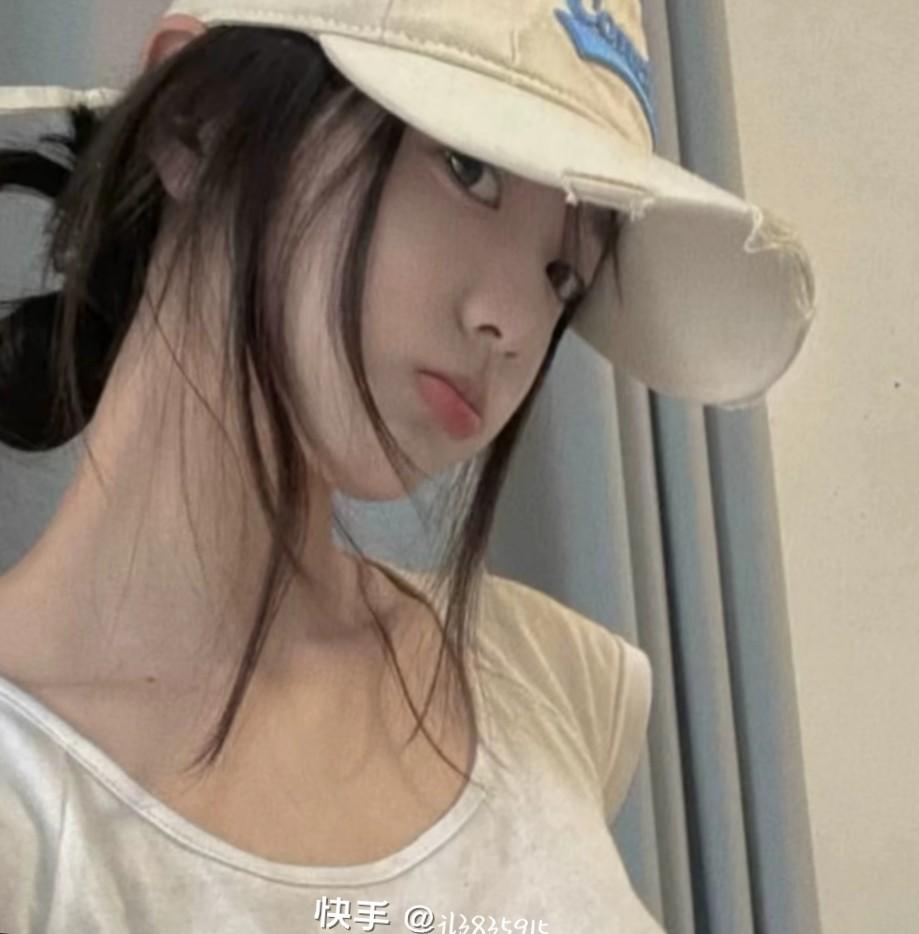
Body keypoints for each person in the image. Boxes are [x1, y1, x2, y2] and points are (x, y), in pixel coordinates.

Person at [0, 2, 815, 931]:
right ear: (201, 124)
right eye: (468, 169)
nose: (515, 323)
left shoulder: (546, 679)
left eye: (564, 275)